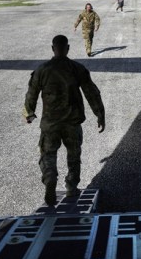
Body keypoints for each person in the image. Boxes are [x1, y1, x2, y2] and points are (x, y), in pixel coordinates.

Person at [23, 34, 106, 206]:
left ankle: (50, 177)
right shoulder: (77, 68)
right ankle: (71, 186)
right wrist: (99, 114)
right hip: (72, 122)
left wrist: (29, 113)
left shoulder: (42, 70)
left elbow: (31, 94)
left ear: (53, 48)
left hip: (50, 123)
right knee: (74, 155)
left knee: (48, 154)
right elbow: (91, 92)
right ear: (67, 48)